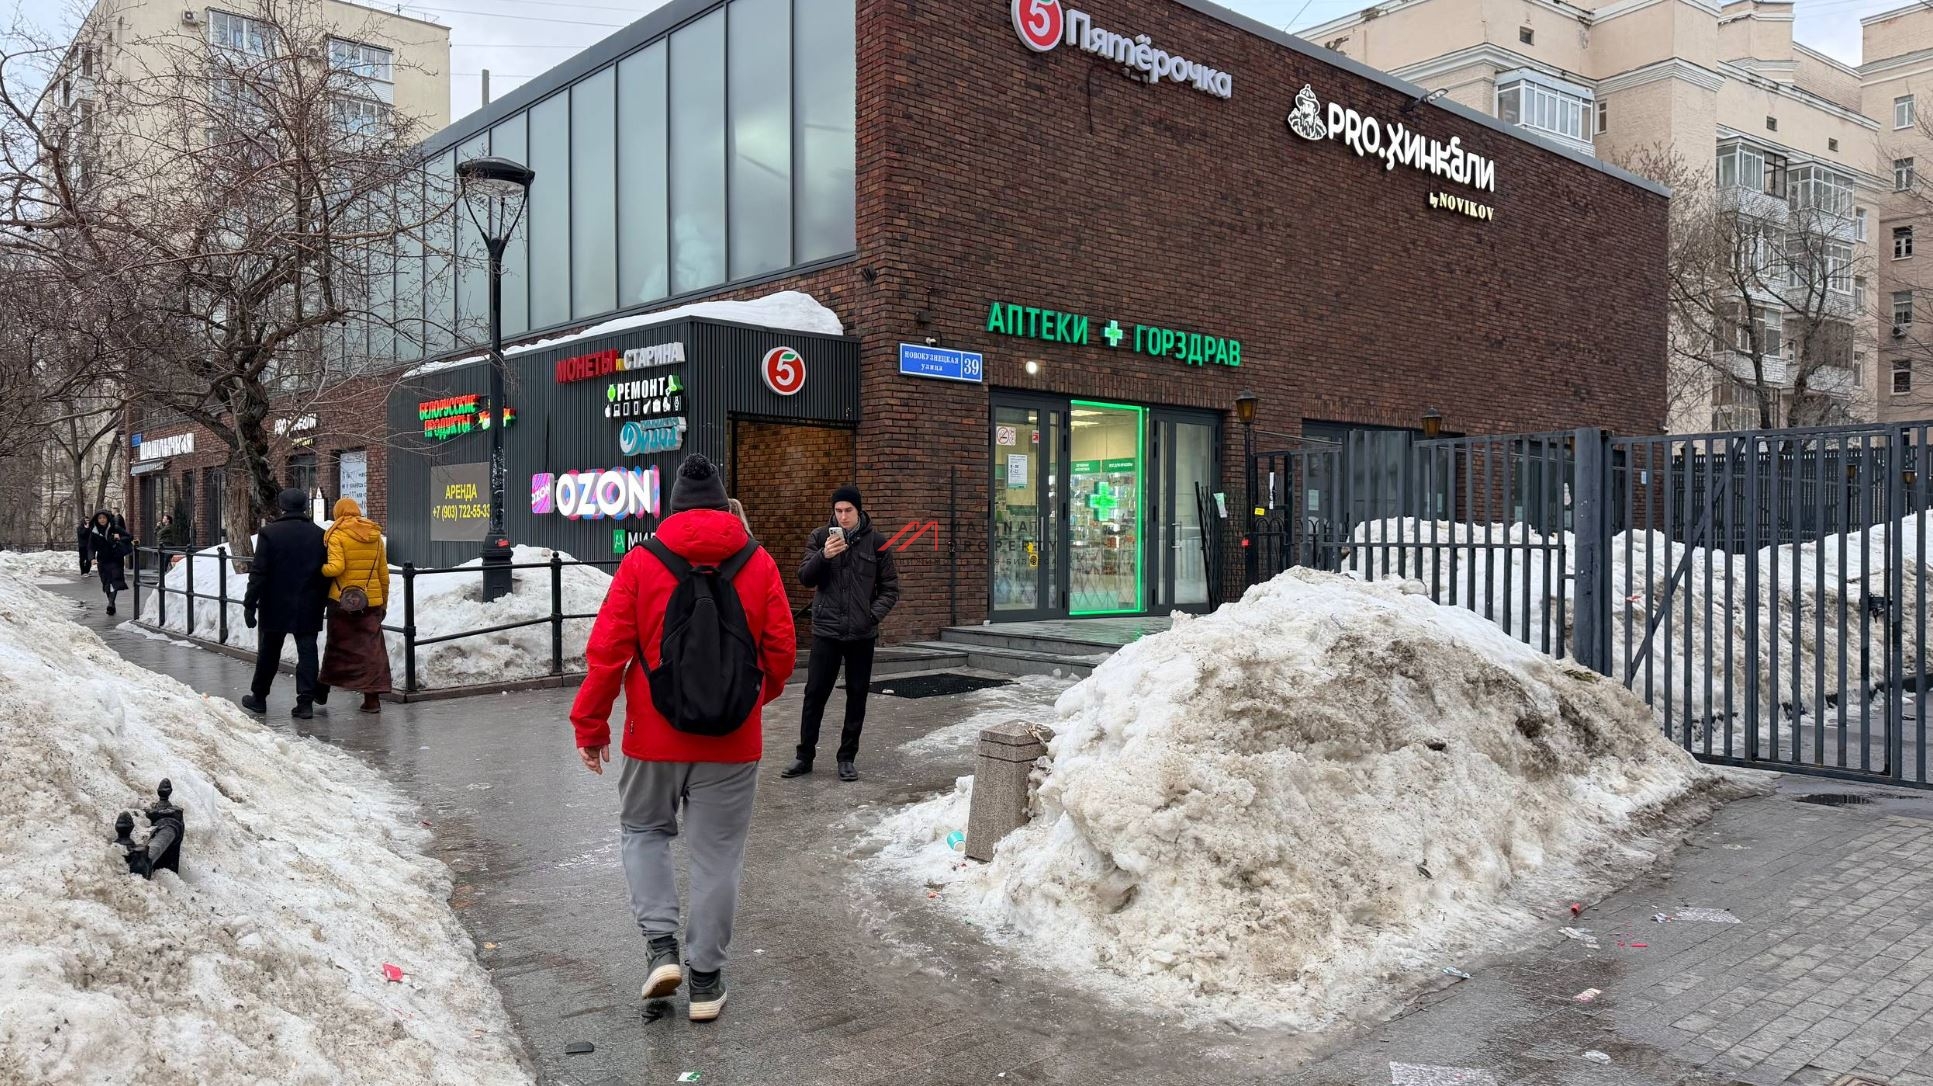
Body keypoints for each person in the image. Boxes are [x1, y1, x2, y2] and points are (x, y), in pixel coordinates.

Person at [571, 454, 796, 1023]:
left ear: (671, 510)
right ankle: (706, 979)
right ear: (724, 506)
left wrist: (591, 725)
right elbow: (781, 654)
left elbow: (608, 653)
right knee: (718, 857)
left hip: (652, 736)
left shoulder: (643, 562)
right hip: (733, 744)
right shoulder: (758, 562)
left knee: (643, 829)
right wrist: (745, 703)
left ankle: (661, 947)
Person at [783, 484, 901, 783]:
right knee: (814, 694)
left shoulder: (877, 543)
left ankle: (847, 758)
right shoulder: (820, 537)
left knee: (857, 695)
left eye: (848, 510)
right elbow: (805, 578)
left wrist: (870, 616)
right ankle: (804, 756)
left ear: (858, 511)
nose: (843, 516)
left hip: (861, 634)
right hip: (826, 631)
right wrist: (824, 556)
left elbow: (889, 588)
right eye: (838, 511)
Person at [241, 488, 328, 720]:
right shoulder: (319, 534)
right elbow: (326, 573)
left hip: (275, 602)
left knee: (269, 652)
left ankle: (259, 698)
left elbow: (258, 572)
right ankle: (305, 702)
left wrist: (250, 603)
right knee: (308, 651)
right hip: (309, 602)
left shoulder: (270, 533)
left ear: (282, 506)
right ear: (304, 507)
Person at [318, 497, 393, 715]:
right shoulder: (374, 535)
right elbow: (383, 574)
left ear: (338, 512)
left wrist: (318, 569)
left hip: (342, 602)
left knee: (337, 648)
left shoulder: (337, 534)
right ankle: (372, 700)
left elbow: (336, 567)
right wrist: (383, 603)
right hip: (371, 602)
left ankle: (322, 689)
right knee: (372, 651)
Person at [78, 510, 133, 616]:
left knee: (115, 580)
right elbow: (90, 547)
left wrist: (119, 537)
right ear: (97, 520)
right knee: (106, 582)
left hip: (116, 558)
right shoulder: (94, 531)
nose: (102, 520)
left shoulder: (114, 528)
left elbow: (129, 537)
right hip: (102, 559)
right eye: (100, 518)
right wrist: (92, 558)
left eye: (104, 518)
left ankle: (111, 604)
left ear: (107, 518)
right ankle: (111, 602)